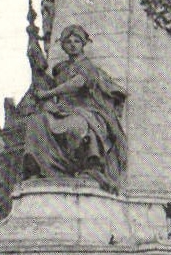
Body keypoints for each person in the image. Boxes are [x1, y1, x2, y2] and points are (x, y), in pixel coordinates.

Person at [22, 24, 127, 192]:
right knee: (37, 121)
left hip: (86, 109)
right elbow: (49, 82)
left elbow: (76, 84)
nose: (72, 44)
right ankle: (38, 168)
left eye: (76, 41)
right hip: (62, 109)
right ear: (63, 45)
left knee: (77, 124)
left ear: (83, 44)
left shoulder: (87, 66)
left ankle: (90, 166)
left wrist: (48, 93)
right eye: (68, 41)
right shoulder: (60, 68)